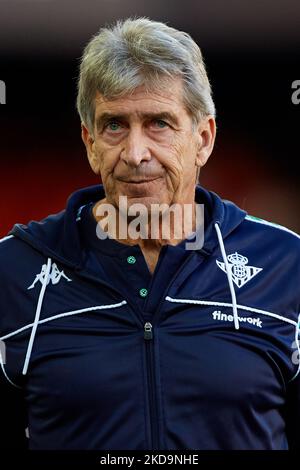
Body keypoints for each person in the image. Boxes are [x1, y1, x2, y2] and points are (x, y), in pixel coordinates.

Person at [0, 17, 299, 451]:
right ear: (89, 143)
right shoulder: (12, 270)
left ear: (203, 138)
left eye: (159, 122)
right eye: (114, 125)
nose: (136, 154)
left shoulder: (285, 264)